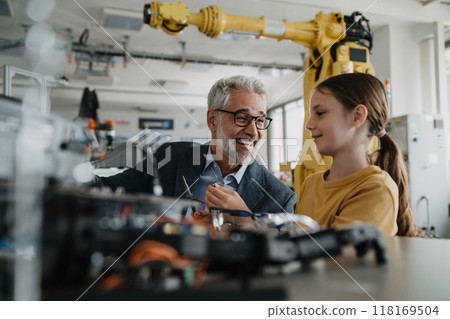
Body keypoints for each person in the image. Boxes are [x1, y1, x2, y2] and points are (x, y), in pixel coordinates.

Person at [92, 75, 297, 216]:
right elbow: (106, 189)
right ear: (212, 120)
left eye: (260, 120)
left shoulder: (280, 197)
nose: (253, 132)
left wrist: (244, 220)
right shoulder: (170, 156)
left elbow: (277, 263)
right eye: (242, 118)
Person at [295, 73, 421, 237]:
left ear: (357, 116)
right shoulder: (310, 184)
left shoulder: (376, 189)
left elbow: (341, 261)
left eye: (320, 113)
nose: (309, 125)